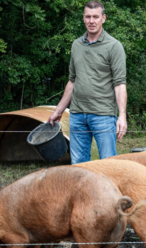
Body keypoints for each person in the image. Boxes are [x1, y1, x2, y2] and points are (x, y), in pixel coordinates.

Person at [48, 1, 127, 164]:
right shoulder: (76, 45)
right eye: (88, 17)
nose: (92, 21)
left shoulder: (114, 46)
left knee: (109, 163)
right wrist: (59, 110)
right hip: (77, 115)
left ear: (103, 18)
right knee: (79, 165)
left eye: (96, 17)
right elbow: (72, 81)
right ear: (83, 18)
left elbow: (119, 84)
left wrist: (122, 116)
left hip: (103, 115)